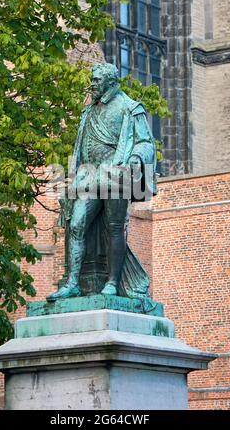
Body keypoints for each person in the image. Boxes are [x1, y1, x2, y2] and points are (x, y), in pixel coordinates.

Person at [47, 63, 157, 301]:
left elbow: (146, 142)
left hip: (115, 173)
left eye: (96, 80)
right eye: (92, 79)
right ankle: (73, 282)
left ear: (109, 82)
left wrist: (136, 158)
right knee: (75, 225)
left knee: (114, 228)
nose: (92, 84)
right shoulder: (88, 111)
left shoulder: (129, 108)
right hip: (88, 175)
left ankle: (113, 282)